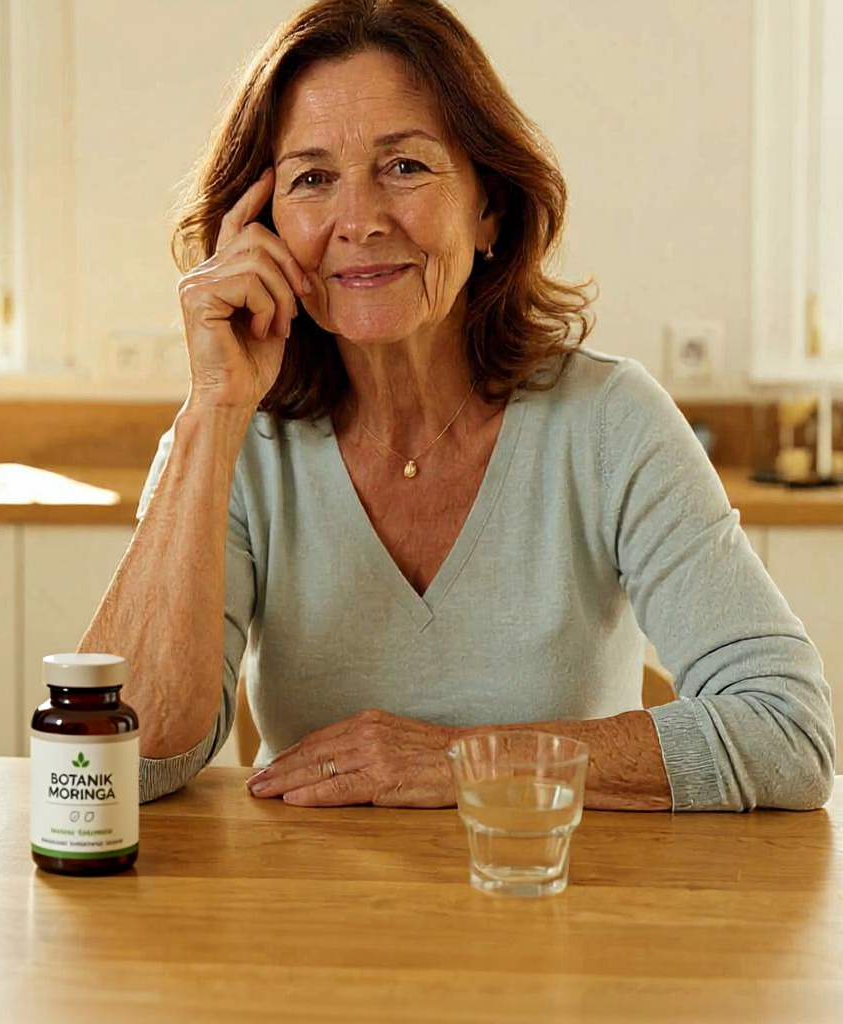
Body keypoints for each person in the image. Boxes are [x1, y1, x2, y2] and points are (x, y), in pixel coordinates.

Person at [79, 0, 835, 812]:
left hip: (556, 913)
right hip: (311, 924)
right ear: (259, 228)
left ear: (489, 210)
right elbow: (121, 762)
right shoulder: (235, 439)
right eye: (311, 179)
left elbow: (787, 732)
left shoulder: (610, 422)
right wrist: (213, 412)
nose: (360, 221)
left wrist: (461, 760)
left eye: (405, 167)